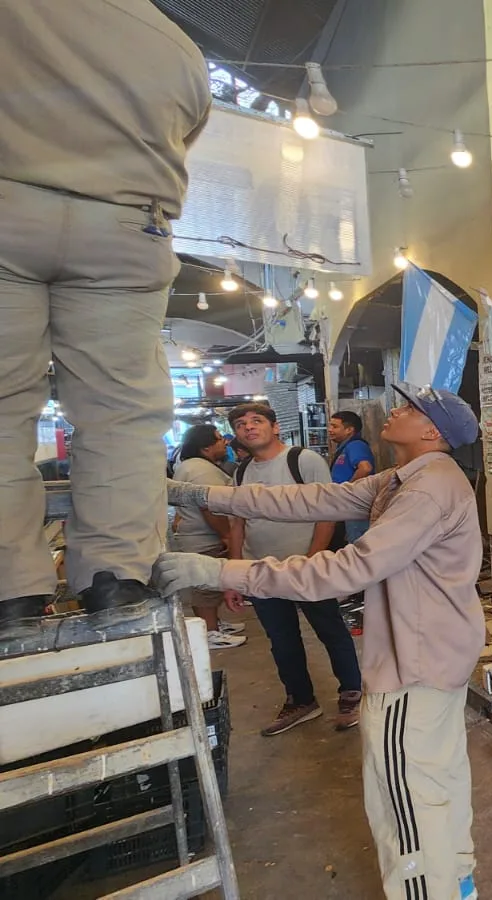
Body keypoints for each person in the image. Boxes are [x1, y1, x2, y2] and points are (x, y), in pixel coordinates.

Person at [159, 383, 485, 900]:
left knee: (403, 799)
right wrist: (202, 495)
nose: (395, 408)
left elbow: (348, 569)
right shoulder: (406, 478)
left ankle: (430, 892)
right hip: (439, 652)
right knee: (436, 779)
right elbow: (312, 497)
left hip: (413, 665)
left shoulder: (426, 490)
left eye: (410, 407)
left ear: (431, 431)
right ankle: (457, 882)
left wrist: (222, 570)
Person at [0, 0, 211, 650]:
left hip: (10, 203)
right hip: (128, 226)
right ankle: (117, 581)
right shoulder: (179, 48)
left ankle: (13, 591)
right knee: (122, 416)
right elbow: (185, 134)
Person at [227, 402, 363, 735]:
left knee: (329, 629)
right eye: (241, 424)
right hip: (262, 573)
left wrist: (312, 561)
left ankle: (352, 693)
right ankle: (301, 700)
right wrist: (233, 575)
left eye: (256, 420)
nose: (248, 427)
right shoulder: (241, 473)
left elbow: (327, 513)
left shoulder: (303, 461)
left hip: (306, 568)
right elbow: (237, 525)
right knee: (281, 639)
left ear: (275, 427)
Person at [168, 424, 246, 649]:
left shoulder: (192, 465)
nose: (225, 442)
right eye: (219, 438)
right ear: (205, 447)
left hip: (195, 533)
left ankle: (212, 625)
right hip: (203, 537)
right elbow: (209, 506)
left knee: (207, 584)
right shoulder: (202, 470)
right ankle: (209, 633)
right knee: (206, 586)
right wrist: (226, 536)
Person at [328, 410, 376, 544]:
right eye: (330, 426)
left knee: (356, 544)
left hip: (355, 504)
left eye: (335, 426)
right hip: (347, 505)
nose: (330, 430)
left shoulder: (356, 445)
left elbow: (365, 468)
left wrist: (347, 489)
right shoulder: (344, 447)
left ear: (349, 430)